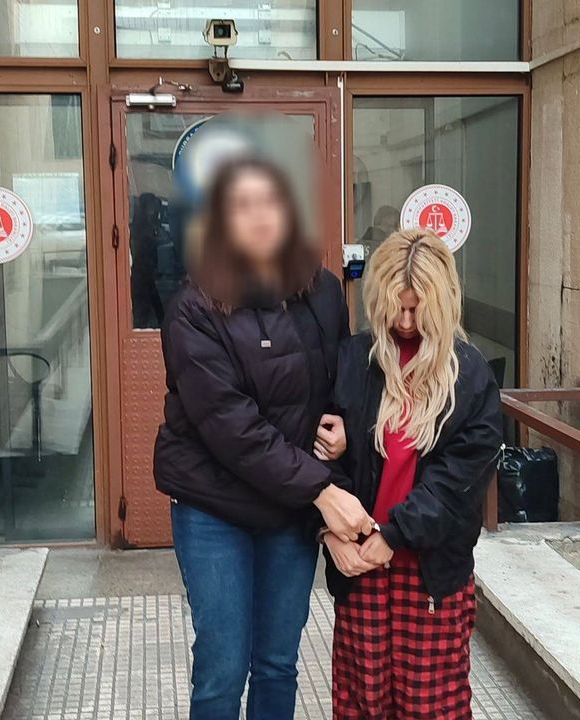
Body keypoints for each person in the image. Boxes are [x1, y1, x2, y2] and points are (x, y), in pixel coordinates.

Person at [153, 156, 373, 720]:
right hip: (214, 507)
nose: (259, 216)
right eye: (242, 206)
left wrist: (344, 428)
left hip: (288, 509)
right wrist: (323, 491)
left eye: (270, 202)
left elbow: (340, 382)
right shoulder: (193, 309)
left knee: (277, 662)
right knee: (223, 668)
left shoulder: (323, 292)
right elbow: (234, 429)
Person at [319, 228, 504, 720]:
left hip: (429, 571)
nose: (404, 322)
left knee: (431, 707)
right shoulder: (356, 360)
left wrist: (396, 533)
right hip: (360, 561)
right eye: (395, 309)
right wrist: (329, 532)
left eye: (416, 310)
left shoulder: (469, 375)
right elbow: (322, 455)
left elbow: (458, 481)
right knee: (361, 704)